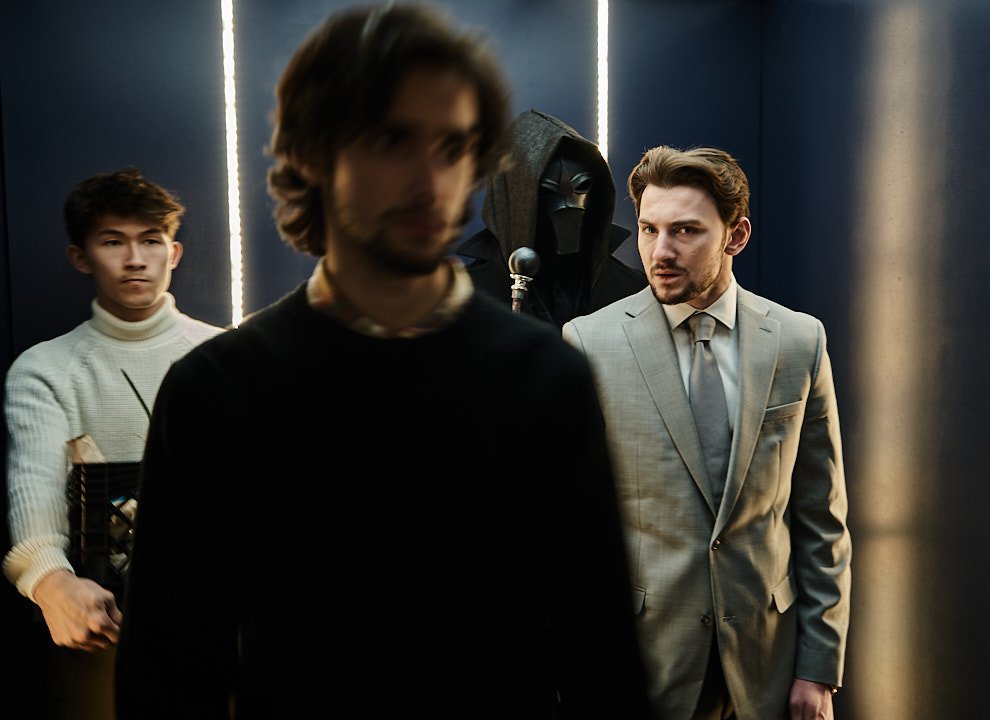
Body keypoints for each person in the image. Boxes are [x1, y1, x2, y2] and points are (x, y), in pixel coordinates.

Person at [115, 4, 654, 719]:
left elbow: (602, 663)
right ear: (313, 152)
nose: (430, 180)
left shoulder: (544, 379)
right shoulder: (219, 392)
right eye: (391, 139)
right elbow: (170, 677)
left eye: (453, 146)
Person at [563, 146, 852, 720]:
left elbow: (822, 517)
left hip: (767, 663)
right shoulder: (590, 343)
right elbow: (569, 532)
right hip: (645, 665)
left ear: (736, 236)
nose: (659, 252)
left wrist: (818, 669)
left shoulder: (799, 342)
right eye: (648, 229)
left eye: (686, 231)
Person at [2, 167, 224, 720]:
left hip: (220, 616)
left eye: (150, 241)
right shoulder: (47, 368)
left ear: (173, 253)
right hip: (105, 621)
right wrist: (50, 582)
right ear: (81, 256)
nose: (134, 259)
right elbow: (35, 489)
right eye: (112, 241)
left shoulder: (227, 356)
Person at [457, 108, 646, 326]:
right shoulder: (467, 296)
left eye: (581, 187)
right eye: (549, 191)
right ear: (517, 198)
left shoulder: (631, 290)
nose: (570, 207)